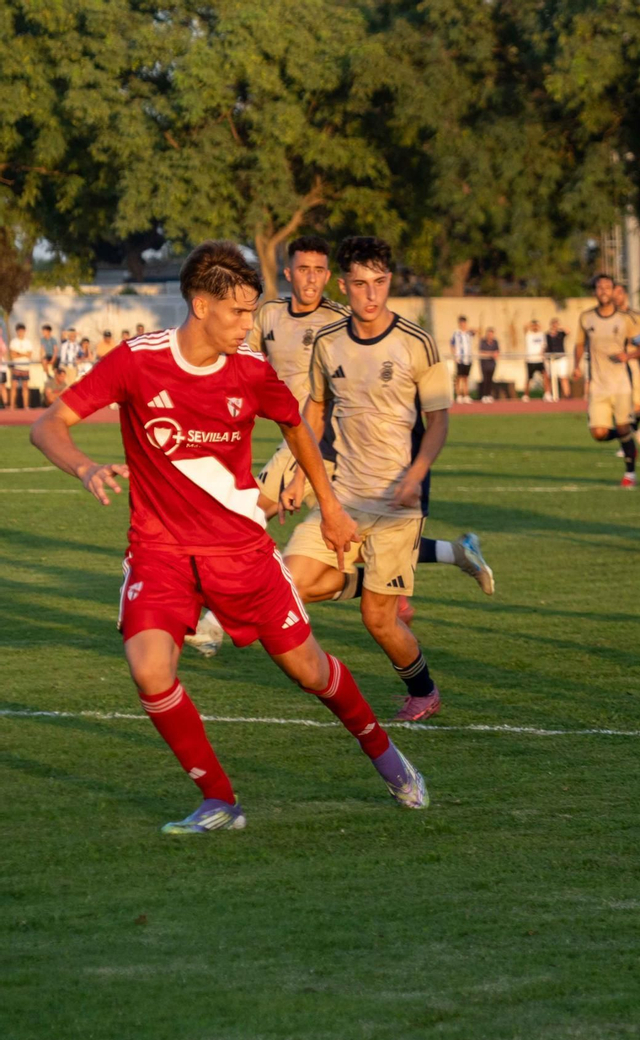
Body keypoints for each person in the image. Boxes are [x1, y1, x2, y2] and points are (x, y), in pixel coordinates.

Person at [27, 239, 428, 834]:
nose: (248, 324)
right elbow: (47, 425)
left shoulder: (251, 371)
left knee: (310, 672)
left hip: (242, 553)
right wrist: (85, 467)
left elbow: (296, 428)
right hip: (160, 551)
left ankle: (387, 757)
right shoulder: (137, 361)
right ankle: (219, 801)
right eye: (239, 312)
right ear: (200, 305)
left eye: (251, 312)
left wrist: (329, 505)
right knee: (150, 670)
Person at [185, 234, 495, 659]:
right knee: (334, 551)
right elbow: (239, 361)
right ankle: (444, 557)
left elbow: (370, 392)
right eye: (303, 270)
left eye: (319, 271)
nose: (311, 279)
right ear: (289, 273)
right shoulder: (270, 316)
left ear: (330, 277)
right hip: (299, 441)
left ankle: (213, 622)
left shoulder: (345, 321)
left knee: (250, 515)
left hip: (325, 448)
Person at [281, 236, 454, 723]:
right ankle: (369, 578)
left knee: (378, 620)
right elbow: (314, 413)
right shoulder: (328, 342)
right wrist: (296, 475)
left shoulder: (417, 342)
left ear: (389, 281)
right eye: (360, 284)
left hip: (398, 503)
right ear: (344, 285)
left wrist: (416, 475)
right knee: (288, 584)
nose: (371, 294)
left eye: (379, 282)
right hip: (343, 498)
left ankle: (424, 691)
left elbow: (438, 421)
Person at [574, 274, 640, 487]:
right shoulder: (586, 318)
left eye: (607, 287)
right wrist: (576, 366)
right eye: (599, 287)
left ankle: (630, 475)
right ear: (594, 292)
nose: (603, 291)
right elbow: (579, 344)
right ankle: (628, 439)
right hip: (598, 385)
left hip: (621, 384)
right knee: (598, 433)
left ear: (613, 291)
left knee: (623, 425)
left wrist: (629, 355)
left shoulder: (625, 319)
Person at [613, 286, 640, 449]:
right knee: (619, 407)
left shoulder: (635, 316)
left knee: (637, 407)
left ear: (625, 295)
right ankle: (626, 445)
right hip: (613, 366)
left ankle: (634, 428)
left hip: (632, 362)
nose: (616, 296)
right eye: (613, 293)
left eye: (619, 293)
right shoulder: (608, 316)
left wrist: (638, 354)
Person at [9, 324, 36, 409]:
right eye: (19, 331)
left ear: (24, 331)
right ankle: (12, 406)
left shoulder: (28, 342)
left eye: (22, 331)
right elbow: (12, 355)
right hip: (16, 367)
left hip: (25, 367)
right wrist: (23, 354)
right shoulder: (13, 342)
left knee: (25, 387)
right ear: (17, 332)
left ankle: (26, 406)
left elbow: (29, 355)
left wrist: (18, 353)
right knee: (14, 386)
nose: (20, 333)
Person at [450, 316, 475, 402]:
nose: (463, 324)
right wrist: (454, 355)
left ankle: (466, 395)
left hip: (468, 358)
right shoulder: (456, 333)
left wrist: (469, 329)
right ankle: (459, 395)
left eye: (464, 323)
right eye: (461, 323)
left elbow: (477, 331)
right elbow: (452, 344)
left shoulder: (469, 333)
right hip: (460, 358)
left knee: (466, 378)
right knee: (459, 377)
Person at [544, 318, 569, 401]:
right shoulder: (547, 335)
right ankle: (548, 394)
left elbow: (568, 331)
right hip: (551, 359)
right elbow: (546, 346)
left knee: (563, 377)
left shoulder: (561, 334)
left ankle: (567, 395)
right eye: (553, 324)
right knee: (550, 377)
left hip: (561, 358)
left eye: (556, 324)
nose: (555, 326)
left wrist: (560, 327)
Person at [523, 319, 547, 400]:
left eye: (536, 325)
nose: (535, 327)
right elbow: (525, 327)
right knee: (528, 379)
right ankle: (526, 395)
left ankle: (547, 394)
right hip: (530, 360)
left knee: (545, 376)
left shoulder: (542, 335)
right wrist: (531, 323)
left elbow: (545, 346)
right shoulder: (529, 334)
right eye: (534, 326)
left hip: (540, 360)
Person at [477, 326, 501, 403]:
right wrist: (491, 354)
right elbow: (481, 352)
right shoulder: (483, 342)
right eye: (489, 334)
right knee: (485, 380)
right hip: (484, 364)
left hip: (492, 364)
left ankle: (489, 394)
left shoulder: (495, 342)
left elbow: (497, 352)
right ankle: (484, 395)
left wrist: (493, 354)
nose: (490, 336)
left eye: (491, 334)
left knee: (490, 380)